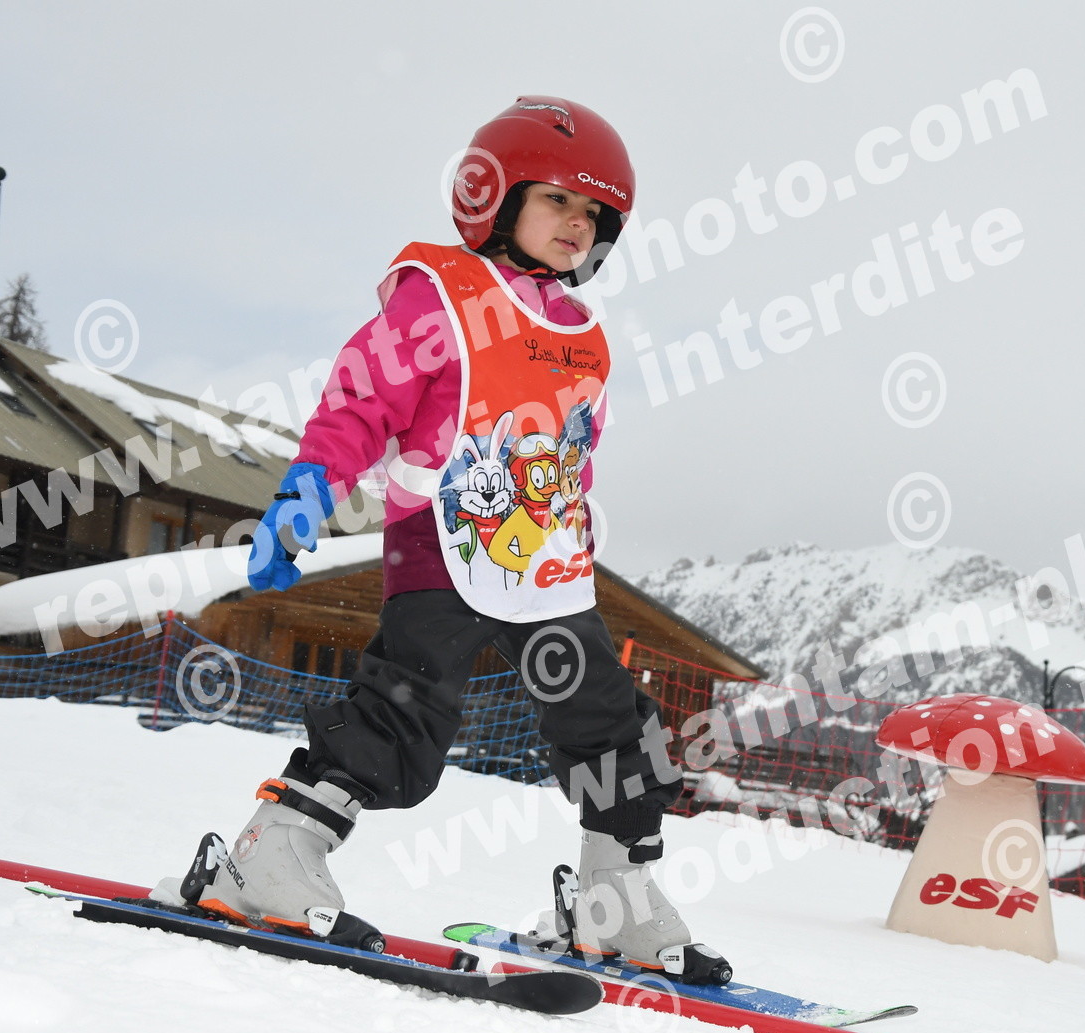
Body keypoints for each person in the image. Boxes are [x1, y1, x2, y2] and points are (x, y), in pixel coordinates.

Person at [152, 96, 728, 983]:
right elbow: (360, 401)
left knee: (613, 723)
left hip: (546, 569)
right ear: (492, 198)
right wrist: (311, 488)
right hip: (442, 549)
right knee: (403, 715)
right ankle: (272, 853)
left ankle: (614, 897)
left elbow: (569, 456)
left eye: (594, 213)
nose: (577, 224)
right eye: (557, 200)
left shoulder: (583, 338)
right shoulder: (441, 297)